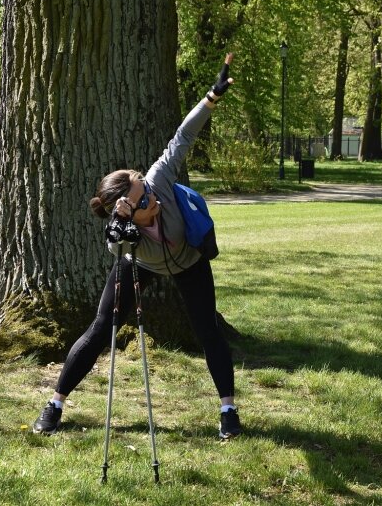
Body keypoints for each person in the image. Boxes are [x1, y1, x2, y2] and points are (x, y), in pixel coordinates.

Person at [32, 54, 242, 440]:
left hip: (188, 262)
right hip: (140, 264)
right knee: (100, 329)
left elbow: (182, 137)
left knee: (207, 330)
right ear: (127, 214)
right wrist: (123, 222)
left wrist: (211, 97)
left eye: (145, 193)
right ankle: (56, 403)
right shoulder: (123, 232)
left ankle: (228, 409)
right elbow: (114, 245)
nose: (151, 201)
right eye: (141, 203)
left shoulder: (158, 182)